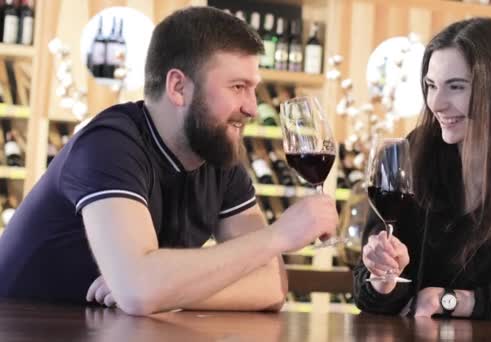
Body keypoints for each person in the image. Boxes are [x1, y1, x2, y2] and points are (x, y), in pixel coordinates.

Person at [0, 7, 338, 315]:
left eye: (253, 88)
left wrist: (159, 289)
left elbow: (271, 287)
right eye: (238, 86)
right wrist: (280, 235)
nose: (251, 107)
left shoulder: (219, 157)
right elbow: (139, 290)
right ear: (178, 87)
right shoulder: (109, 144)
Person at [353, 17, 491, 322]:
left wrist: (451, 300)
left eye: (456, 87)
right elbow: (367, 298)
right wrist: (383, 278)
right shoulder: (413, 153)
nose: (436, 103)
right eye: (431, 86)